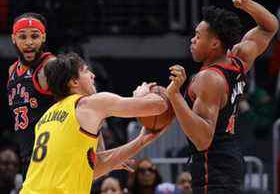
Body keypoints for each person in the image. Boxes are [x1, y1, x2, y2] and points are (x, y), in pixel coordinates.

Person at [166, 0, 278, 194]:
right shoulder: (239, 60)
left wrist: (174, 96)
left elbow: (202, 140)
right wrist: (248, 5)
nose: (192, 39)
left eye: (198, 36)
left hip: (214, 166)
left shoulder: (209, 78)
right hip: (229, 159)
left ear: (215, 43)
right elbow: (270, 27)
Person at [20, 52, 169, 193]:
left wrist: (141, 141)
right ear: (74, 81)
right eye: (86, 71)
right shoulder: (89, 104)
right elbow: (159, 105)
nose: (93, 75)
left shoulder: (46, 118)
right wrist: (141, 95)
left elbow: (94, 168)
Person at [6, 12, 55, 179]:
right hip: (28, 157)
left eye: (35, 36)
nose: (29, 43)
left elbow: (81, 100)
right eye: (22, 37)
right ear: (13, 38)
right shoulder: (12, 70)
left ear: (43, 37)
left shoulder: (50, 66)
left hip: (52, 156)